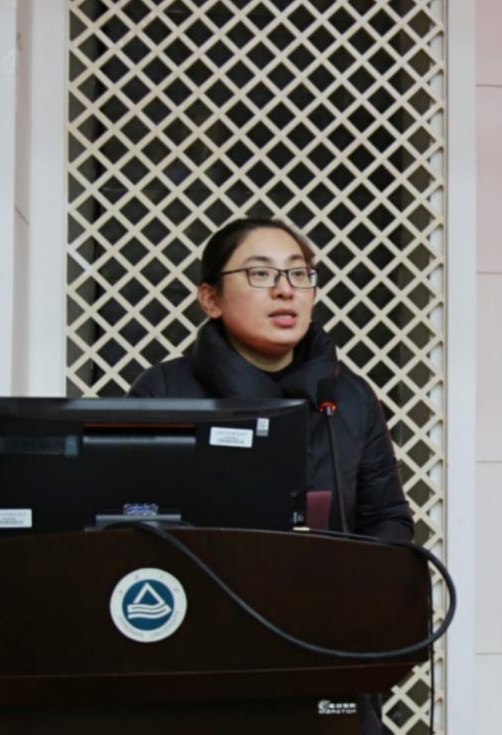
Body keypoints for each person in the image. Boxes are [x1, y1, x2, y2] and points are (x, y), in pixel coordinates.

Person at [129, 218, 412, 734]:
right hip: (200, 654)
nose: (286, 290)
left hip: (326, 646)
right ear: (210, 299)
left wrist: (355, 584)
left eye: (299, 274)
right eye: (260, 274)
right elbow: (131, 520)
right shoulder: (165, 391)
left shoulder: (348, 396)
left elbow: (388, 517)